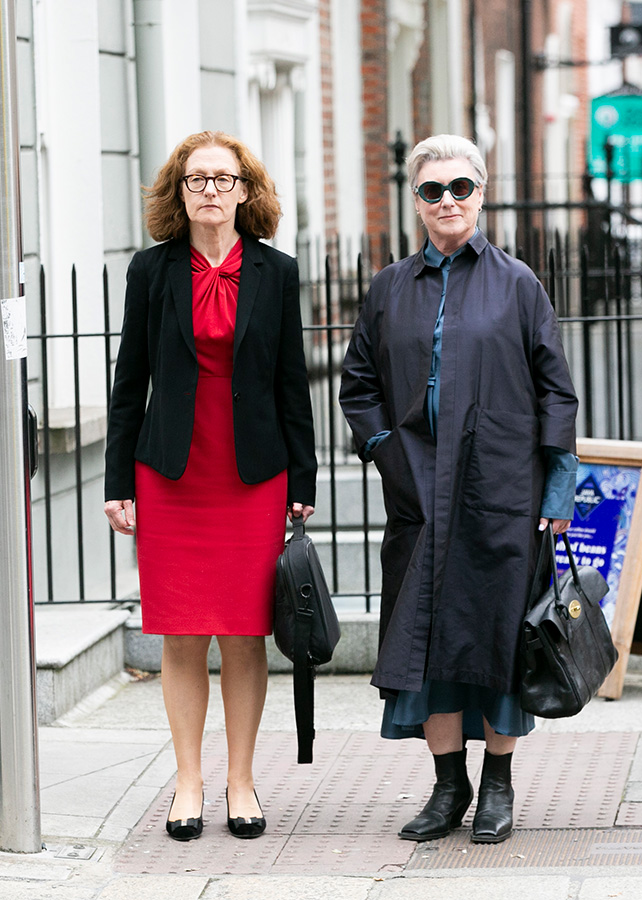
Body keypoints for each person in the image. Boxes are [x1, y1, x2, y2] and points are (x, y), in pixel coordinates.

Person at [339, 134, 578, 845]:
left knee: (499, 640)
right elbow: (359, 386)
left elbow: (556, 394)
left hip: (501, 493)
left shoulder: (518, 285)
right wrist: (384, 449)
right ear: (415, 200)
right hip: (417, 494)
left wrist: (556, 495)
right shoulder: (388, 289)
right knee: (426, 643)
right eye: (432, 190)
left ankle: (498, 789)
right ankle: (449, 787)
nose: (448, 201)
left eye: (461, 188)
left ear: (482, 191)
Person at [104, 130, 317, 842]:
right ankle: (189, 779)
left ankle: (242, 780)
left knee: (246, 632)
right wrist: (115, 481)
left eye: (224, 180)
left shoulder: (277, 272)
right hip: (171, 471)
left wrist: (303, 476)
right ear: (179, 192)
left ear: (247, 191)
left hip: (252, 471)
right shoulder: (150, 271)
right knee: (183, 633)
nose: (211, 192)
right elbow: (129, 380)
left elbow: (293, 382)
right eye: (197, 180)